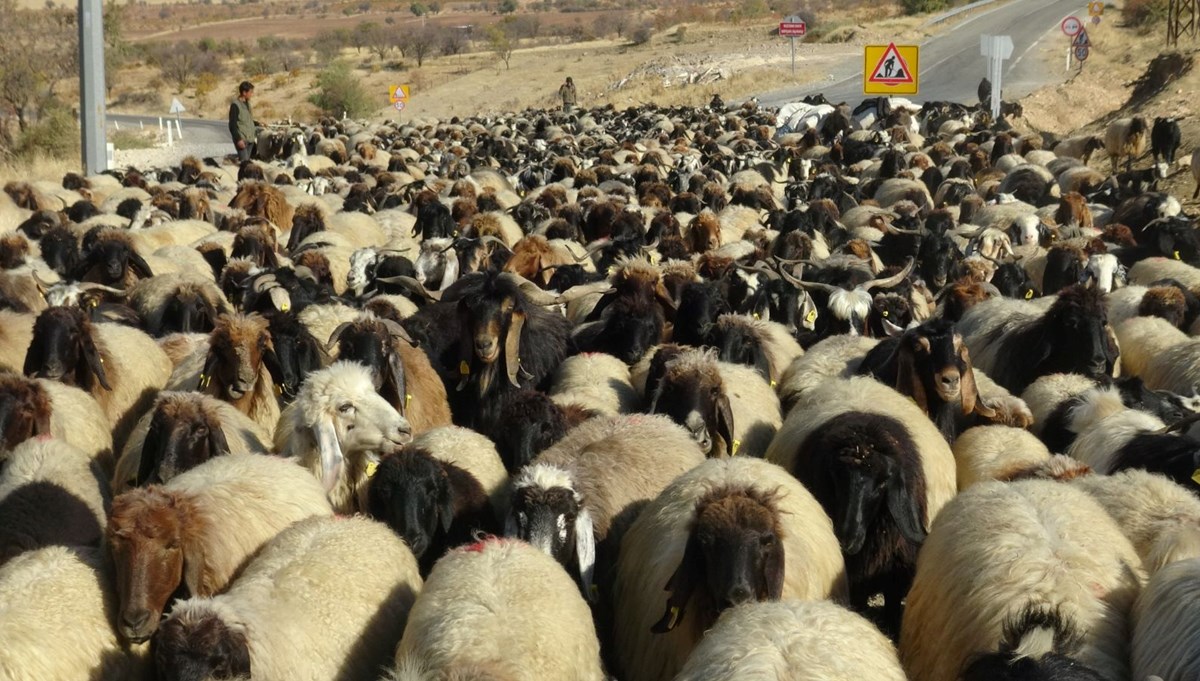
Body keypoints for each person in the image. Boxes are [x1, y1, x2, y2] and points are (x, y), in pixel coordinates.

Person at [229, 81, 257, 162]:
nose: (252, 94)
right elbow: (232, 125)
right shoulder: (235, 105)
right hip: (242, 140)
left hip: (250, 140)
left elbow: (247, 120)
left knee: (247, 162)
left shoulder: (248, 104)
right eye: (251, 92)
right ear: (244, 92)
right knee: (245, 164)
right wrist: (238, 140)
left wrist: (258, 123)